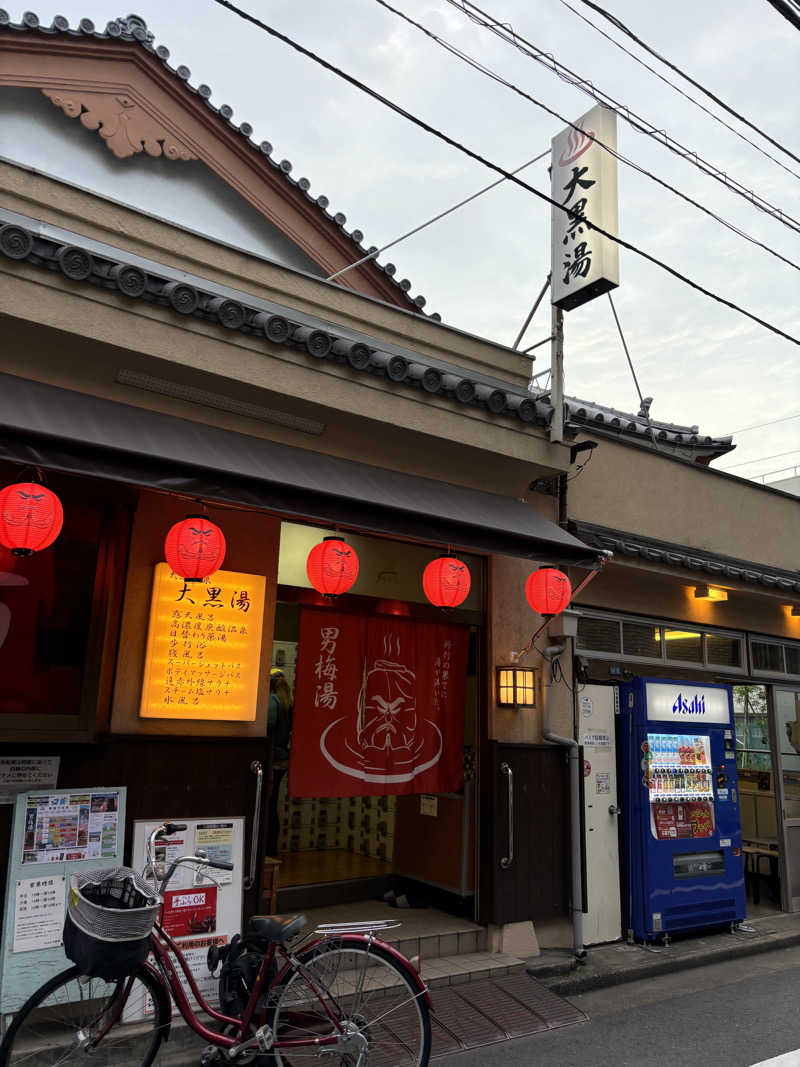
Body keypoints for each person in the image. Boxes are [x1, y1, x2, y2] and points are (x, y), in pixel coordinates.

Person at [266, 667, 293, 857]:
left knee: (266, 805)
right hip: (283, 759)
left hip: (271, 758)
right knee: (273, 803)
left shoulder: (272, 701)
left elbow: (267, 726)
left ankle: (265, 850)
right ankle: (272, 849)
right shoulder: (288, 702)